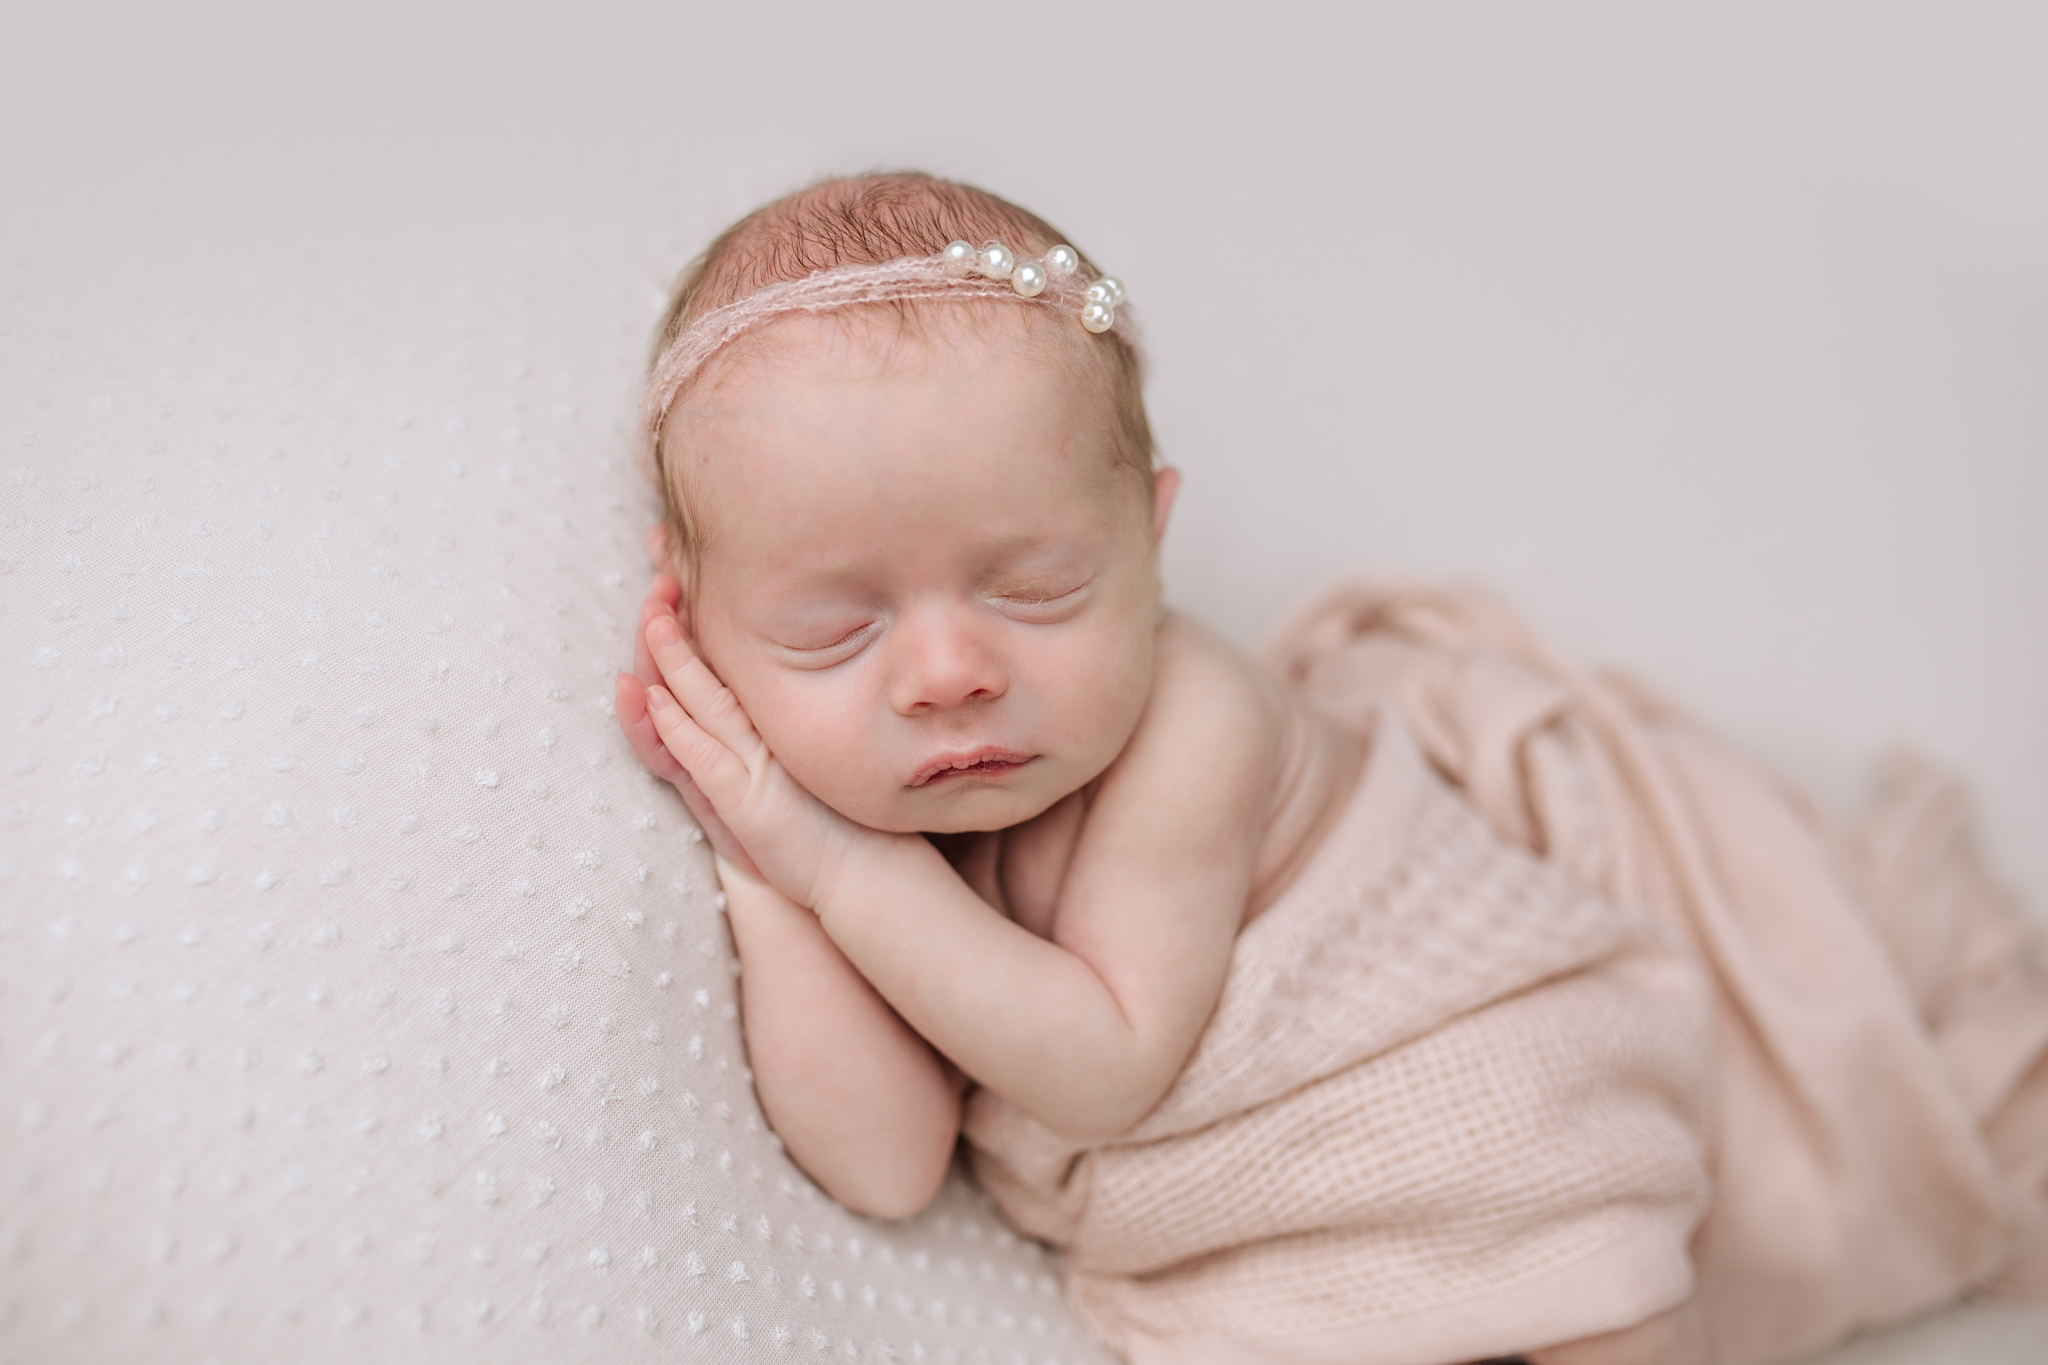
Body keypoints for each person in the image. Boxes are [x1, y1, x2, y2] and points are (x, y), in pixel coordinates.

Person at [613, 172, 2048, 1365]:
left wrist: (829, 863)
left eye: (1039, 585)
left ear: (1151, 537)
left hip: (1486, 1098)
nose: (947, 672)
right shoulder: (859, 828)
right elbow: (884, 1162)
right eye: (834, 627)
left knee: (1592, 1275)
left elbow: (1106, 1060)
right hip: (1282, 1215)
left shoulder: (1195, 711)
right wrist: (761, 866)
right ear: (708, 616)